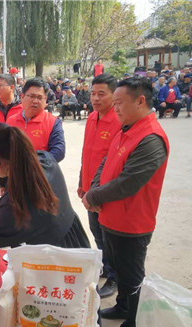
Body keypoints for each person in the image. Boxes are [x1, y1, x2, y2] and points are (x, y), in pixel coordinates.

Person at [82, 77, 169, 327]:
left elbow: (129, 182)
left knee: (132, 278)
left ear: (140, 101)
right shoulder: (127, 128)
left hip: (132, 223)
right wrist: (93, 189)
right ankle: (122, 307)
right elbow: (106, 162)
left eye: (119, 102)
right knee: (118, 269)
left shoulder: (151, 138)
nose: (115, 107)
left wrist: (94, 196)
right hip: (111, 217)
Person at [0, 122, 90, 250]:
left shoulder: (15, 201)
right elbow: (16, 176)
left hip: (52, 255)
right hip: (73, 239)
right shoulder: (44, 159)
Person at [78, 74, 121, 299]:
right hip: (89, 188)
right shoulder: (92, 117)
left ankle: (115, 276)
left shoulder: (119, 121)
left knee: (109, 236)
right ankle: (106, 265)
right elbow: (87, 153)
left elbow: (115, 163)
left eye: (101, 94)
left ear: (114, 95)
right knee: (96, 232)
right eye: (93, 93)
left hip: (104, 192)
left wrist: (99, 192)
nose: (95, 98)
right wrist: (81, 182)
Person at [6, 77, 66, 162]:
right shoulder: (11, 121)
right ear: (22, 97)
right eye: (32, 96)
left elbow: (59, 151)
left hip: (41, 169)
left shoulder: (53, 122)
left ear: (45, 100)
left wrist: (33, 164)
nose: (35, 101)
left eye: (39, 97)